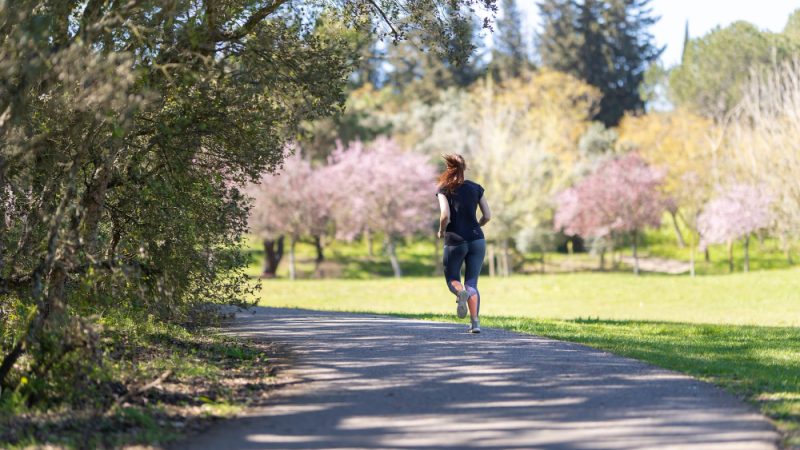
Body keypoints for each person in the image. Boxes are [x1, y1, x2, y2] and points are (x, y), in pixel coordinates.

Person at [436, 154, 491, 334]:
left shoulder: (443, 189)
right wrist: (477, 226)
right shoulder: (476, 188)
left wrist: (441, 231)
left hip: (455, 240)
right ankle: (475, 323)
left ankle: (460, 294)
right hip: (477, 239)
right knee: (472, 283)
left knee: (453, 278)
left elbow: (445, 215)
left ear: (448, 167)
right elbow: (487, 216)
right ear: (464, 167)